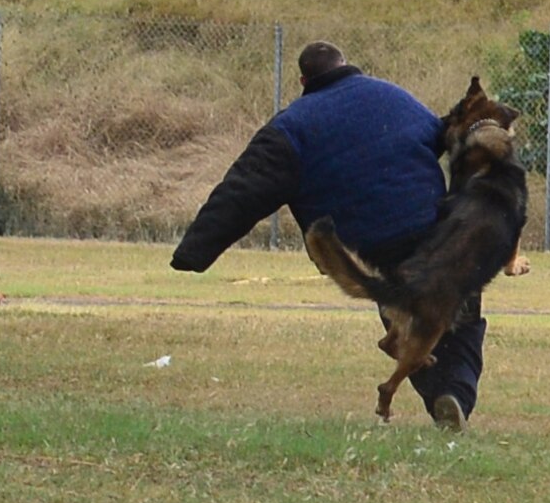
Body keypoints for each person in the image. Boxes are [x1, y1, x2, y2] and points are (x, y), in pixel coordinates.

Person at [171, 41, 486, 431]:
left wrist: (193, 252)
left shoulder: (293, 126)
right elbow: (446, 132)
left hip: (375, 249)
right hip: (441, 233)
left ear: (303, 80)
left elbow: (242, 192)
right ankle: (452, 394)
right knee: (462, 322)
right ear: (346, 63)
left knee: (408, 325)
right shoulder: (393, 97)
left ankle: (443, 394)